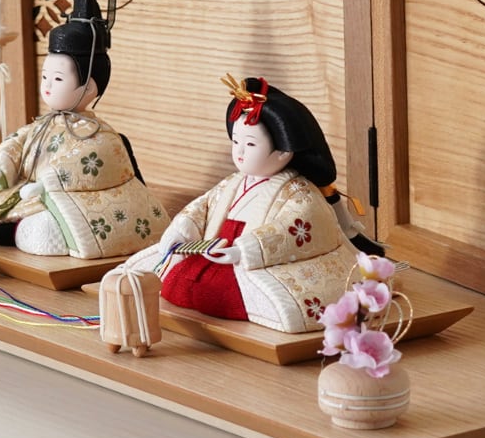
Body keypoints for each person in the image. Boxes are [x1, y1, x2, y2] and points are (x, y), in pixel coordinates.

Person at [119, 76, 379, 333]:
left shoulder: (299, 192)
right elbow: (202, 207)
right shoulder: (233, 183)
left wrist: (245, 250)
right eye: (236, 141)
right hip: (214, 252)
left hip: (245, 259)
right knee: (178, 281)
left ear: (283, 152)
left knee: (225, 294)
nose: (240, 152)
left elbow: (295, 226)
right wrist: (182, 230)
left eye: (251, 143)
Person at [0, 0, 169, 259]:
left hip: (61, 196)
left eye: (57, 79)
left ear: (88, 87)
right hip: (26, 192)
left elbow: (89, 160)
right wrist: (2, 168)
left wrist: (49, 182)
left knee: (42, 232)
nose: (47, 86)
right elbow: (17, 142)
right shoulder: (41, 125)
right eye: (45, 77)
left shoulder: (101, 136)